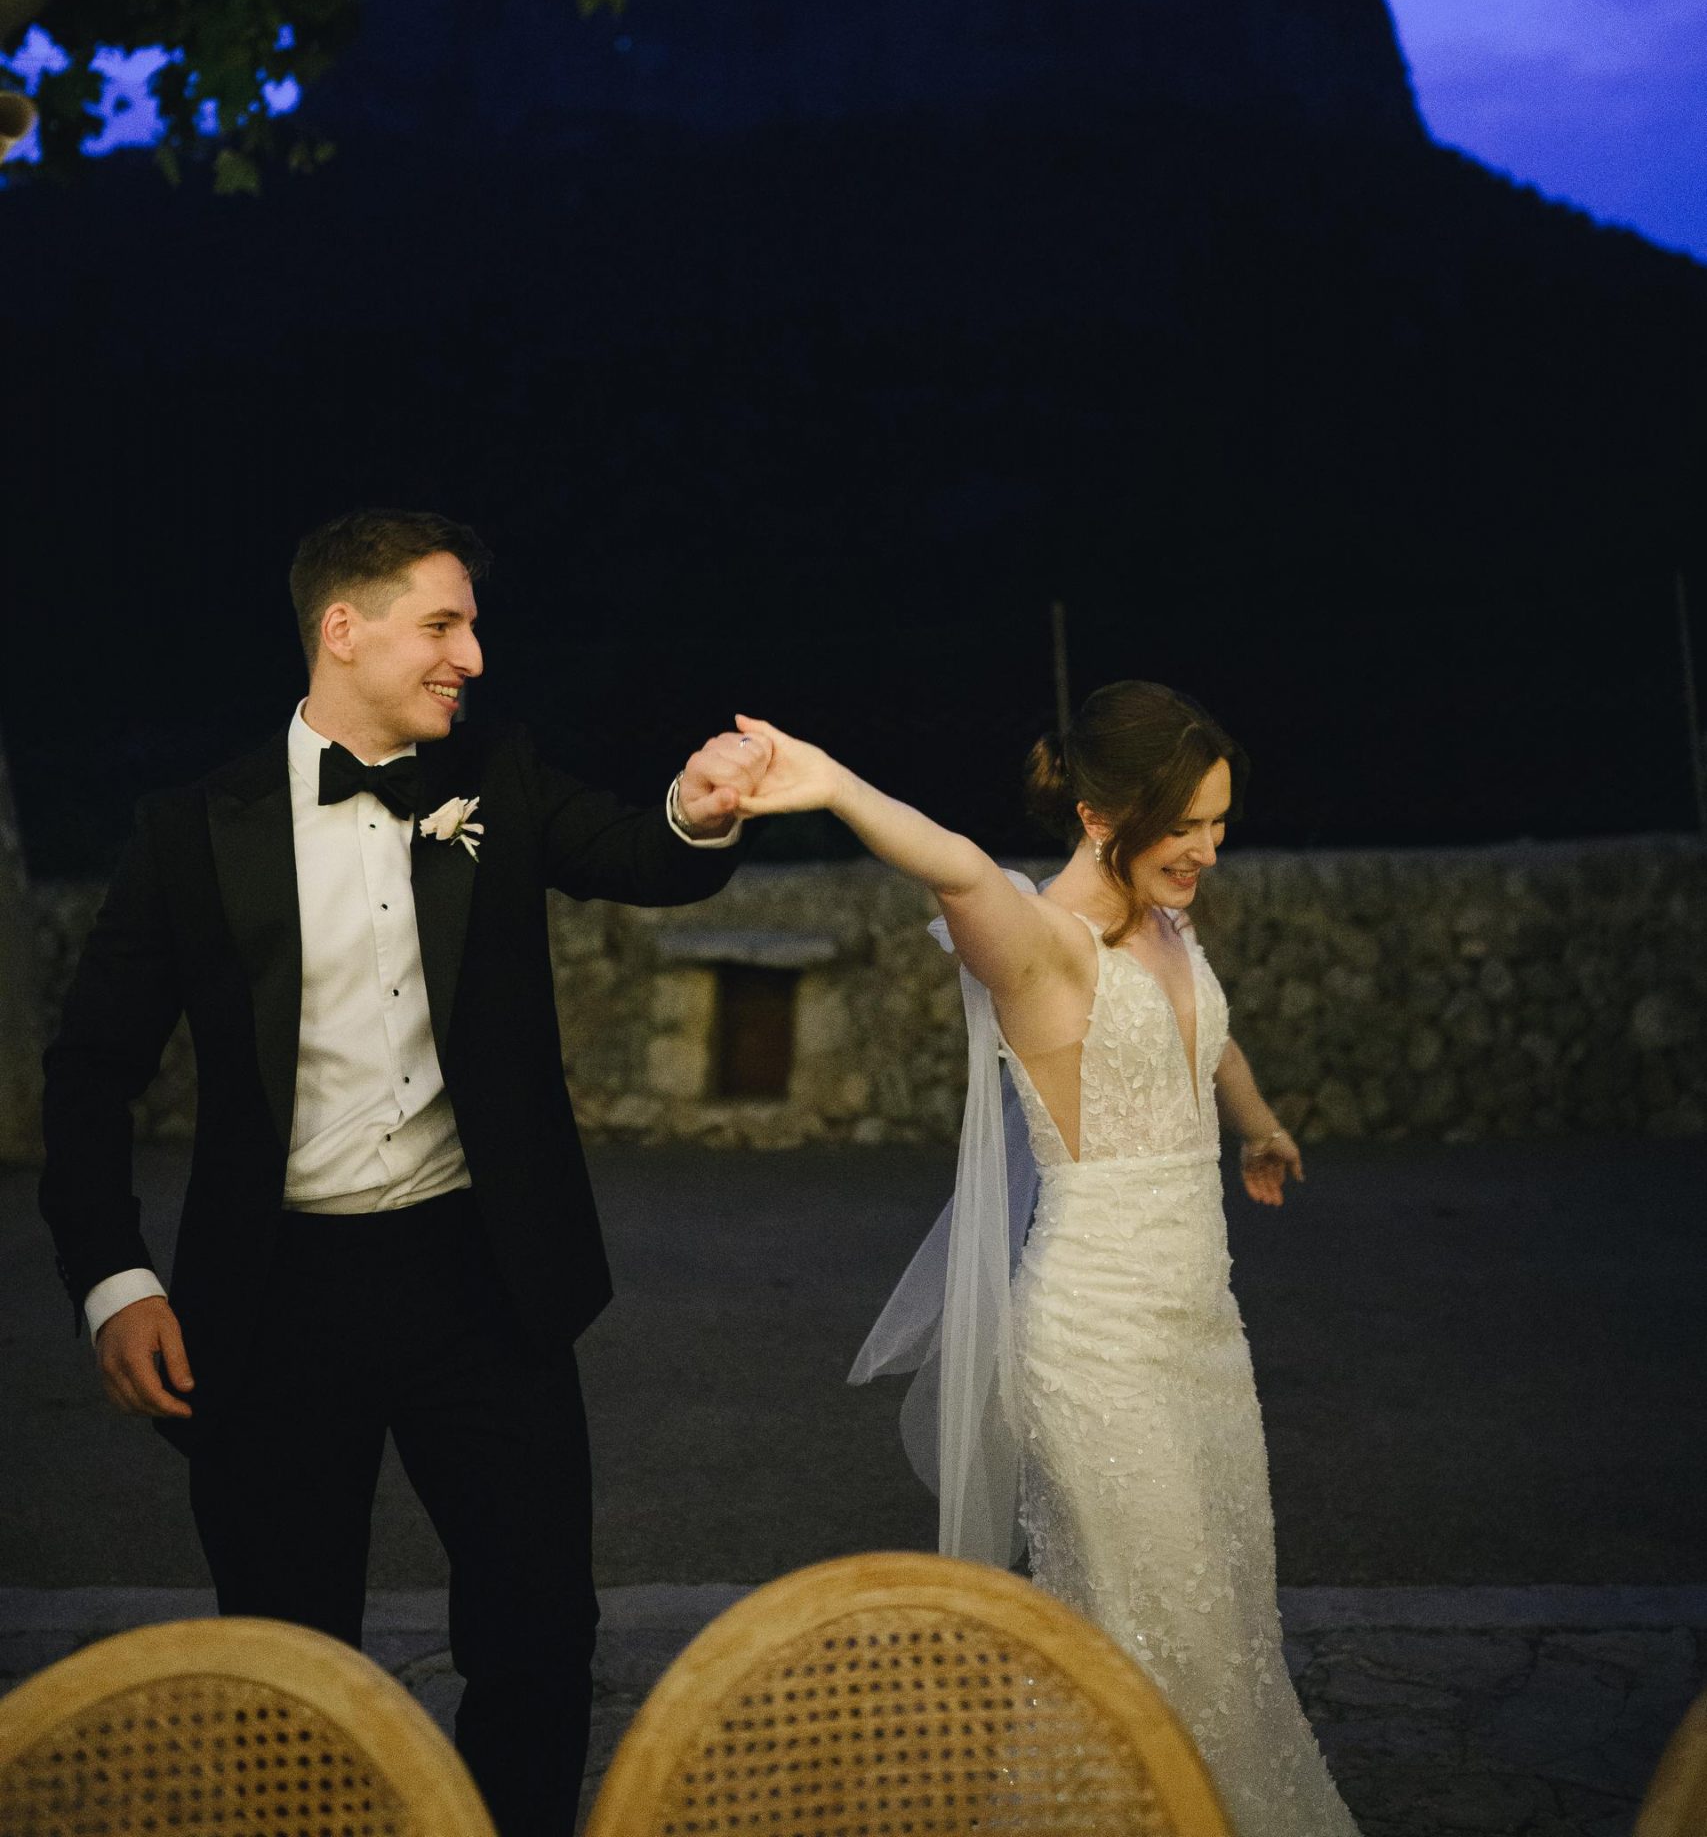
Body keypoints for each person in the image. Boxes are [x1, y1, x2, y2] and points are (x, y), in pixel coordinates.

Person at [39, 508, 770, 1837]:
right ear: (344, 630)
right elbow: (90, 1071)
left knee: (539, 1633)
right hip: (271, 1298)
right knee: (286, 1660)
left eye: (471, 627)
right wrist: (112, 1279)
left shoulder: (500, 775)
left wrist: (699, 805)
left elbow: (647, 858)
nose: (471, 657)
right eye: (442, 625)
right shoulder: (192, 830)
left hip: (480, 1277)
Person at [727, 683, 1360, 1837]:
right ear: (1100, 814)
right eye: (1188, 826)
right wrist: (830, 783)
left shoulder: (1166, 920)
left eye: (1221, 823)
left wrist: (1259, 1119)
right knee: (1175, 1648)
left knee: (1229, 1628)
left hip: (1204, 1333)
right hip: (1095, 1344)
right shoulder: (1040, 947)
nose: (1211, 851)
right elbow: (958, 867)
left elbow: (1200, 1033)